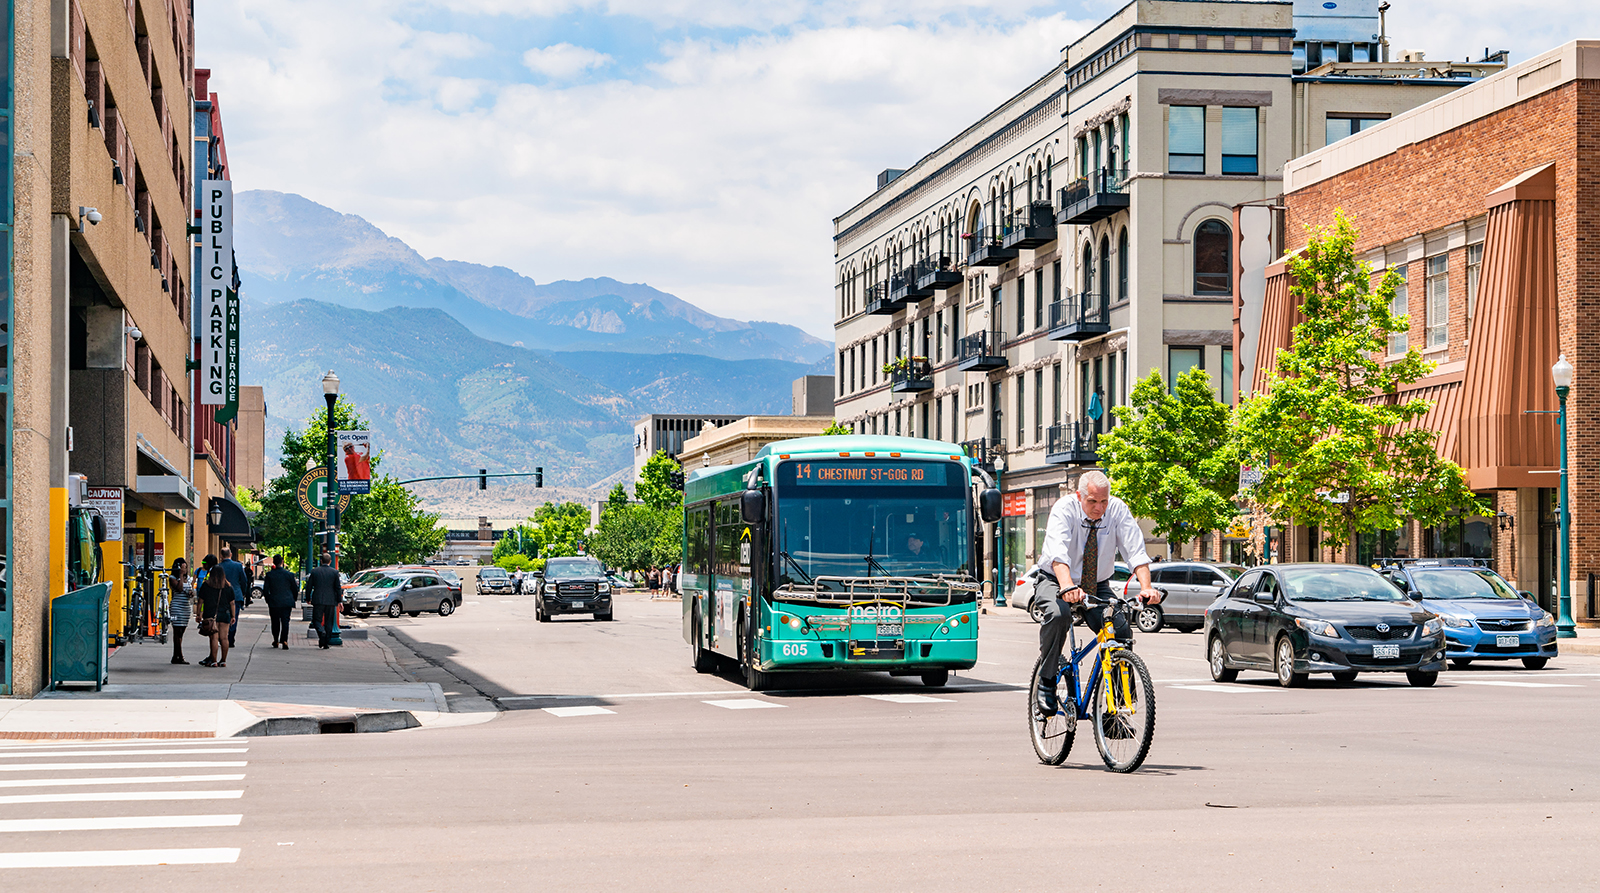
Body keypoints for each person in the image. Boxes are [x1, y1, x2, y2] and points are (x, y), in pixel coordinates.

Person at [1033, 470, 1162, 716]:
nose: (1099, 508)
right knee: (1059, 616)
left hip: (1096, 584)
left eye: (1104, 501)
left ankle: (1118, 709)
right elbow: (1058, 553)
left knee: (1120, 630)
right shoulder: (1064, 509)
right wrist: (1067, 586)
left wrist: (1147, 587)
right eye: (1092, 501)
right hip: (1056, 579)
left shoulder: (1117, 510)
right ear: (1079, 496)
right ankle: (1046, 681)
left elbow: (1135, 552)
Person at [195, 555, 233, 668]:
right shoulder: (228, 586)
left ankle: (214, 661)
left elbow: (200, 601)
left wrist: (198, 614)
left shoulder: (206, 585)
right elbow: (232, 603)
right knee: (224, 638)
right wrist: (233, 615)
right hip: (225, 613)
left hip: (211, 614)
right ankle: (223, 660)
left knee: (214, 638)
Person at [303, 554, 344, 649]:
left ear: (321, 561)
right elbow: (338, 588)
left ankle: (321, 633)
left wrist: (308, 598)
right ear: (330, 561)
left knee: (316, 620)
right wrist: (339, 601)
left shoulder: (314, 571)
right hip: (331, 600)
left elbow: (309, 586)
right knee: (329, 621)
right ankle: (326, 642)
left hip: (318, 600)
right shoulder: (334, 572)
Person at [262, 554, 299, 649]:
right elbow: (295, 589)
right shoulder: (289, 575)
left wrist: (268, 600)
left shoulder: (269, 575)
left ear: (273, 562)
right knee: (285, 621)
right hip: (287, 601)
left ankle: (276, 639)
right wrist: (293, 599)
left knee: (275, 621)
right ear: (282, 562)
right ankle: (284, 640)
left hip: (274, 602)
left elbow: (266, 590)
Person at [219, 547, 248, 648]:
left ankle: (222, 637)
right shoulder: (238, 566)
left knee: (222, 617)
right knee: (233, 617)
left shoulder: (218, 567)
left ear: (221, 556)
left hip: (222, 596)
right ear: (230, 554)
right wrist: (243, 592)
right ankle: (230, 639)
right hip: (236, 595)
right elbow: (244, 581)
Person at [168, 557, 192, 665]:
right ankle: (180, 656)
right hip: (176, 607)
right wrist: (181, 576)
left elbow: (189, 591)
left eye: (185, 568)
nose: (184, 570)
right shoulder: (172, 578)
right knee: (177, 632)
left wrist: (191, 593)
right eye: (182, 568)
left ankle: (175, 656)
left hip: (185, 607)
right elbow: (179, 588)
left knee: (181, 633)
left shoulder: (189, 579)